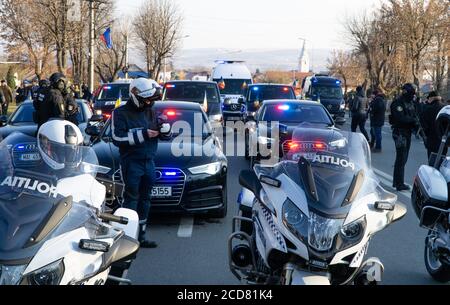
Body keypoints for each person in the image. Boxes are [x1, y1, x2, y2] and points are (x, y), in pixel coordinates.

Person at [111, 78, 162, 249]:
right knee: (131, 198)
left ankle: (141, 236)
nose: (149, 103)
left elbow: (159, 131)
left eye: (151, 100)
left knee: (146, 199)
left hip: (149, 161)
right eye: (146, 99)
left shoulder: (151, 111)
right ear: (134, 94)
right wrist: (145, 134)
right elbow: (117, 138)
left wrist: (165, 131)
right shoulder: (120, 113)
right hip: (131, 162)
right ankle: (127, 237)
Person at [390, 83, 419, 192]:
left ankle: (397, 181)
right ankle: (399, 183)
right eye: (411, 93)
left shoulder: (410, 103)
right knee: (401, 158)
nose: (413, 96)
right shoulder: (398, 103)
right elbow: (400, 118)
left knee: (403, 159)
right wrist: (413, 121)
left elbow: (414, 115)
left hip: (407, 133)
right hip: (400, 133)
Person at [420, 91, 447, 165]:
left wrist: (425, 137)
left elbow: (423, 126)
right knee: (441, 164)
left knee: (432, 165)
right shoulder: (445, 108)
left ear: (431, 98)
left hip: (431, 141)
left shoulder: (427, 109)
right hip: (444, 141)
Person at [369, 88, 386, 153]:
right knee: (374, 133)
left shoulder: (377, 100)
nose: (371, 96)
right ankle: (373, 145)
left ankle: (378, 147)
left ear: (374, 94)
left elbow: (376, 109)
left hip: (377, 119)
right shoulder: (380, 100)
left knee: (377, 134)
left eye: (372, 95)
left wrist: (372, 110)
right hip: (378, 119)